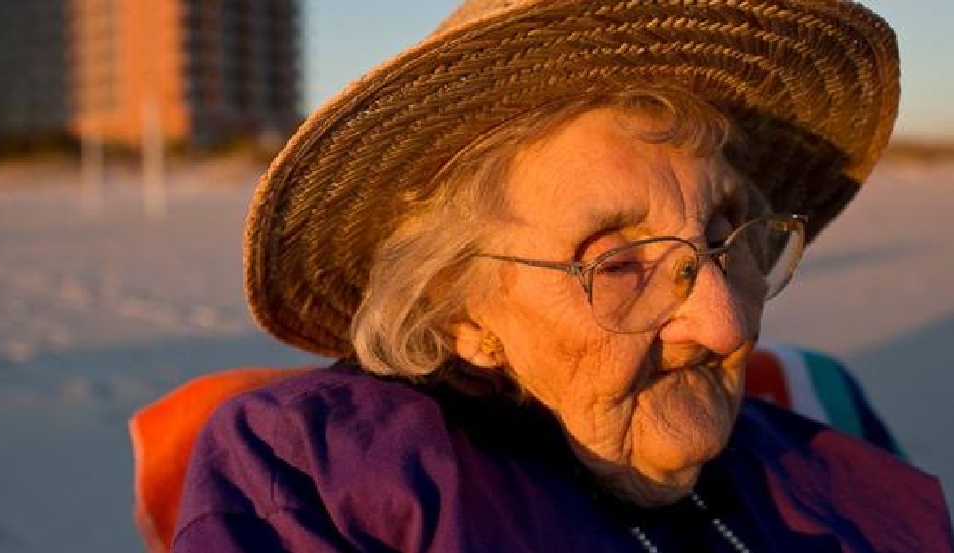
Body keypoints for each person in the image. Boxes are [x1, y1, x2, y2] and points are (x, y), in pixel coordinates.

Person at [173, 1, 954, 551]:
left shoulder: (852, 472)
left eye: (726, 238)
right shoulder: (325, 471)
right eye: (618, 263)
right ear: (462, 316)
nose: (726, 325)